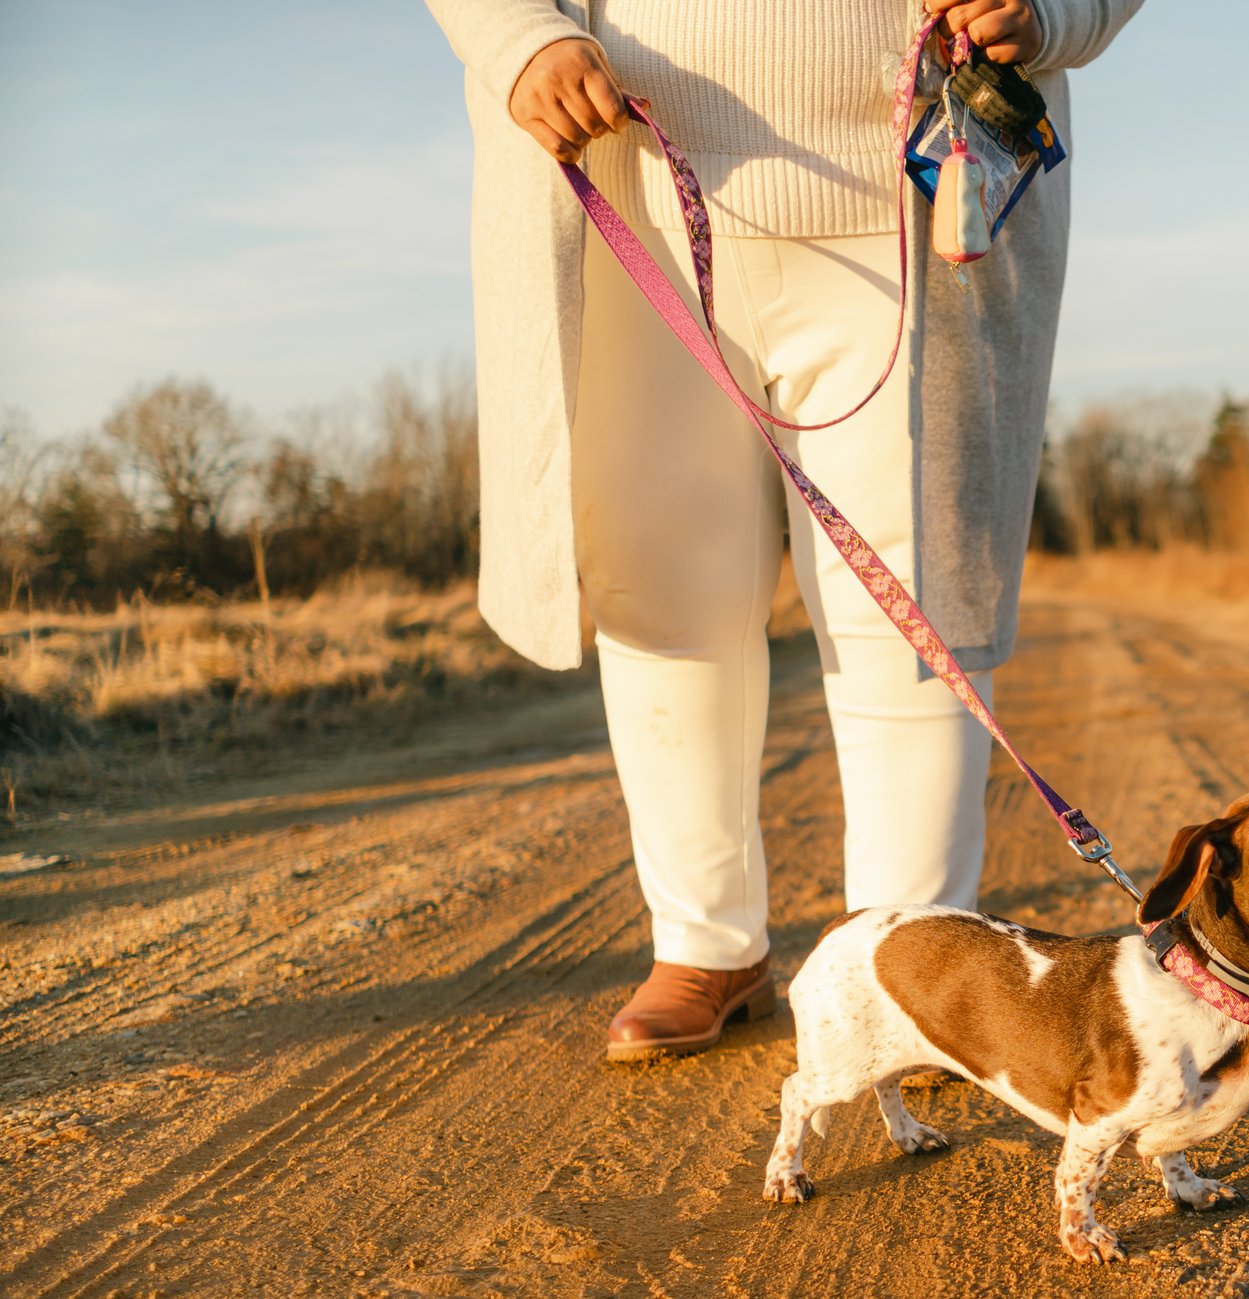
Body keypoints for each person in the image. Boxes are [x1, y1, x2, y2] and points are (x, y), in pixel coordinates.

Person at [423, 0, 1145, 1060]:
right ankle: (706, 945)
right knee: (659, 590)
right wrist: (519, 39)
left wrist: (1046, 9)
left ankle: (915, 974)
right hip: (628, 189)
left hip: (914, 204)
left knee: (912, 605)